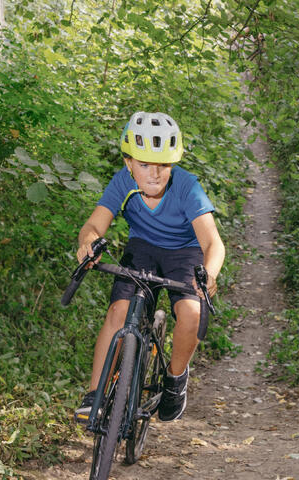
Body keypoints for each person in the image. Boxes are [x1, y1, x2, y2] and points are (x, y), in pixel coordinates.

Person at [75, 111, 225, 423]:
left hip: (184, 252)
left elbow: (212, 242)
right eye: (144, 164)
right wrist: (88, 243)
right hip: (142, 248)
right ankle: (95, 394)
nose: (154, 174)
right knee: (118, 312)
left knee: (192, 314)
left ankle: (174, 379)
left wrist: (208, 273)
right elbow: (94, 224)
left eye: (163, 165)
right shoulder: (122, 182)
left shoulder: (186, 187)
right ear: (129, 163)